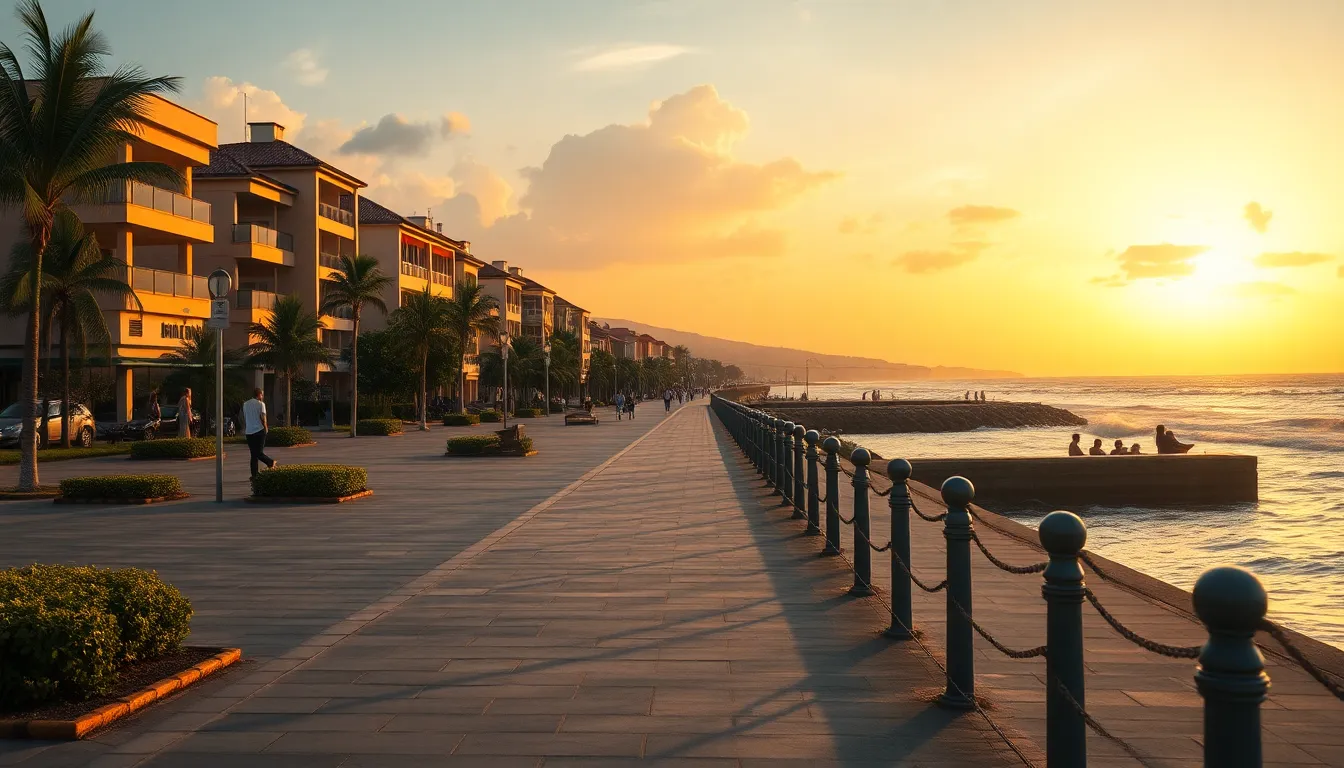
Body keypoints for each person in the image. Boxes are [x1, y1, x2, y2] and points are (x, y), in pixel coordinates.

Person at [242, 388, 277, 477]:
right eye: (262, 395)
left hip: (249, 432)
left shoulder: (245, 404)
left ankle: (254, 474)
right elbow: (263, 417)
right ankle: (270, 462)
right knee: (259, 452)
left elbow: (245, 417)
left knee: (253, 454)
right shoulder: (261, 404)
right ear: (259, 394)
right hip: (259, 431)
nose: (262, 397)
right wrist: (266, 428)